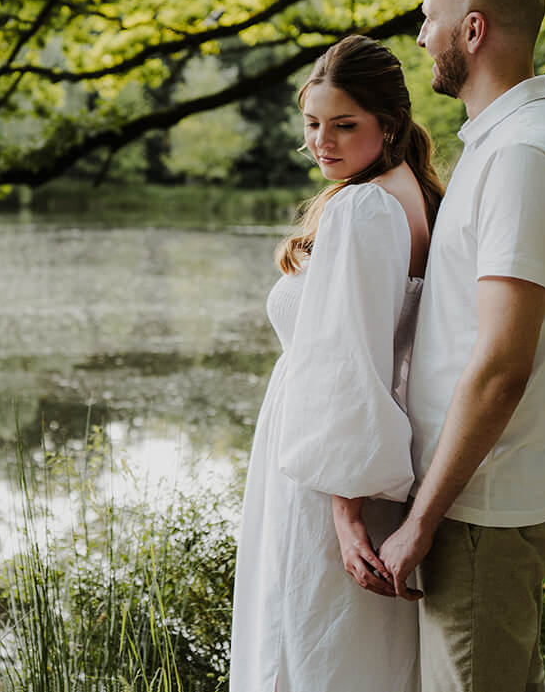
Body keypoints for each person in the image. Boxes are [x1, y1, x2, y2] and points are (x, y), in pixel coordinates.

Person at [377, 0, 545, 692]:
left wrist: (423, 518)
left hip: (480, 509)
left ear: (472, 31)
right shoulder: (502, 144)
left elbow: (503, 364)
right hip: (477, 499)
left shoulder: (523, 157)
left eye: (429, 18)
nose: (420, 37)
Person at [229, 34, 444, 692]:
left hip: (331, 478)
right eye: (313, 123)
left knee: (311, 644)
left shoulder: (365, 207)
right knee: (352, 651)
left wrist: (345, 517)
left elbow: (352, 366)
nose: (323, 141)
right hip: (352, 460)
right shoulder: (411, 191)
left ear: (389, 122)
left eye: (345, 125)